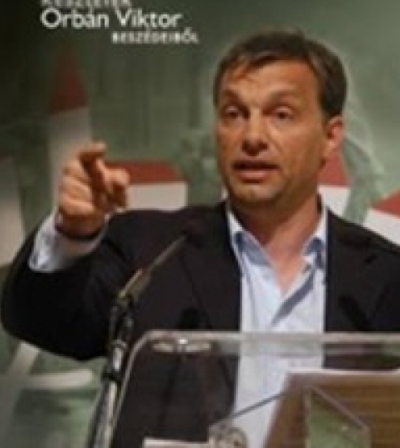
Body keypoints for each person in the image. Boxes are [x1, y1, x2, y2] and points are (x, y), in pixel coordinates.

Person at [2, 28, 400, 447]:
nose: (252, 137)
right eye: (233, 114)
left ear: (331, 136)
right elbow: (40, 320)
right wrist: (72, 232)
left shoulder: (386, 278)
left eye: (281, 115)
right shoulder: (152, 252)